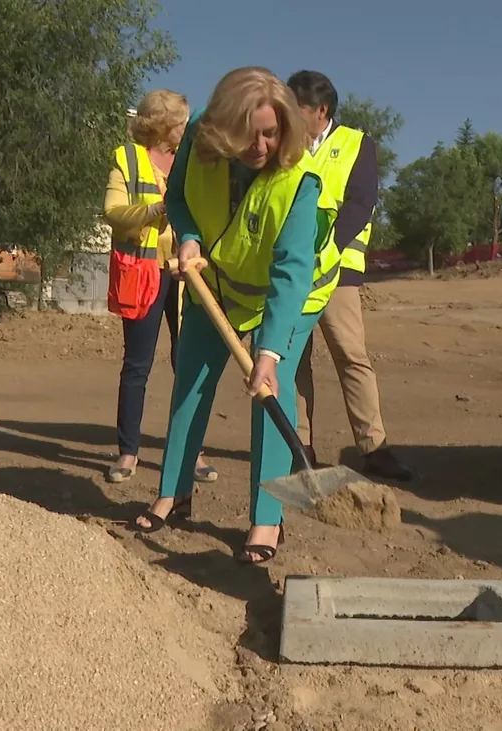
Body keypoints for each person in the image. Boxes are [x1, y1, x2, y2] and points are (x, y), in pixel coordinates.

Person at [130, 66, 341, 565]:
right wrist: (188, 237)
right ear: (225, 127)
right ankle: (173, 492)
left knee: (271, 388)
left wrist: (267, 353)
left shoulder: (299, 182)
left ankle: (267, 518)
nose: (263, 145)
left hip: (291, 291)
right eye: (251, 134)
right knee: (192, 380)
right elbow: (178, 198)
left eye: (272, 133)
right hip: (216, 281)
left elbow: (291, 274)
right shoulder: (202, 136)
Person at [286, 70, 414, 482]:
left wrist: (323, 251)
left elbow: (360, 204)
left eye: (296, 106)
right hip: (290, 272)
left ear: (319, 111)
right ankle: (298, 447)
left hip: (336, 274)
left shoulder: (356, 144)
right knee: (292, 362)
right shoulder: (283, 145)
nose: (288, 112)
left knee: (352, 358)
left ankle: (373, 448)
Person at [103, 89, 217, 485]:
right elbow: (113, 213)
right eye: (181, 122)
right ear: (163, 125)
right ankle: (127, 453)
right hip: (144, 272)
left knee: (189, 365)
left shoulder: (195, 159)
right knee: (137, 365)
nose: (187, 128)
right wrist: (154, 210)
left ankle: (193, 451)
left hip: (189, 276)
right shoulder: (126, 158)